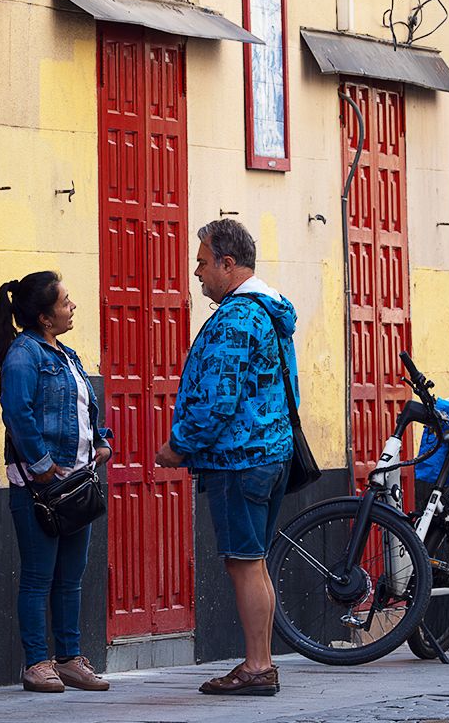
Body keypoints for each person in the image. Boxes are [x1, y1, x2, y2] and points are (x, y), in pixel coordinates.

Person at [155, 219, 297, 696]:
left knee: (244, 562)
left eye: (202, 262)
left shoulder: (238, 318)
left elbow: (219, 398)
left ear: (227, 263)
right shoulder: (269, 311)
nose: (197, 273)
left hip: (241, 460)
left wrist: (179, 446)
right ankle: (260, 660)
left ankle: (257, 665)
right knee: (252, 562)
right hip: (270, 455)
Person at [0, 271, 113, 693]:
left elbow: (87, 407)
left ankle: (69, 658)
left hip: (76, 484)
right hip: (38, 488)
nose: (72, 306)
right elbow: (18, 415)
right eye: (65, 302)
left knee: (70, 578)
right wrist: (41, 464)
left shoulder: (67, 354)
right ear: (44, 317)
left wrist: (102, 442)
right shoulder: (24, 355)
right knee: (39, 577)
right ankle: (37, 663)